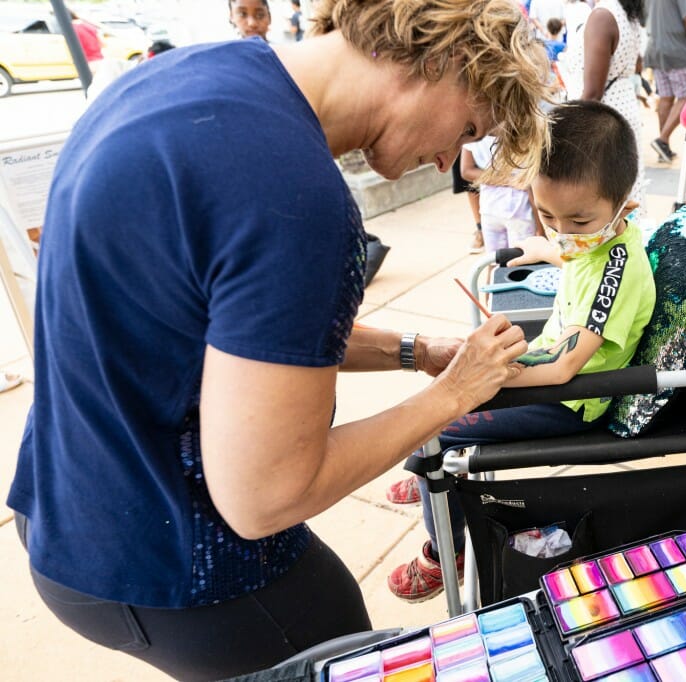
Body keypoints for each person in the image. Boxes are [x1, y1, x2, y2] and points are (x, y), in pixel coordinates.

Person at [5, 0, 551, 678]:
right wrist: (452, 394)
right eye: (470, 127)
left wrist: (412, 352)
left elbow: (246, 331)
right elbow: (268, 496)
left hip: (66, 502)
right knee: (341, 641)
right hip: (166, 555)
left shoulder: (180, 79)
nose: (451, 158)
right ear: (440, 58)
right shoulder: (294, 192)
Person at [387, 100, 656, 603]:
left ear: (625, 201)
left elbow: (562, 370)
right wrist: (544, 247)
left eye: (578, 218)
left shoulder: (617, 271)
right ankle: (427, 479)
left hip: (574, 401)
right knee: (441, 404)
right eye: (548, 214)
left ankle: (444, 550)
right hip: (546, 370)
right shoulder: (593, 240)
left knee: (437, 426)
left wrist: (492, 377)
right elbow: (575, 251)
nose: (563, 231)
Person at [561, 0, 648, 214]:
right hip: (622, 109)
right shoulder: (626, 13)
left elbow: (592, 93)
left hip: (603, 121)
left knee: (606, 200)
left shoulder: (602, 16)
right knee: (624, 196)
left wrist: (568, 136)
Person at [645, 0, 686, 163]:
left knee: (666, 97)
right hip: (678, 51)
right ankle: (662, 139)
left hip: (655, 49)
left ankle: (663, 147)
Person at [459, 135, 538, 252]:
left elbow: (466, 171)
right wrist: (540, 227)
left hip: (489, 208)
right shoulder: (520, 129)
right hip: (518, 208)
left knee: (493, 260)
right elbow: (529, 183)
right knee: (521, 259)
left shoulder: (473, 134)